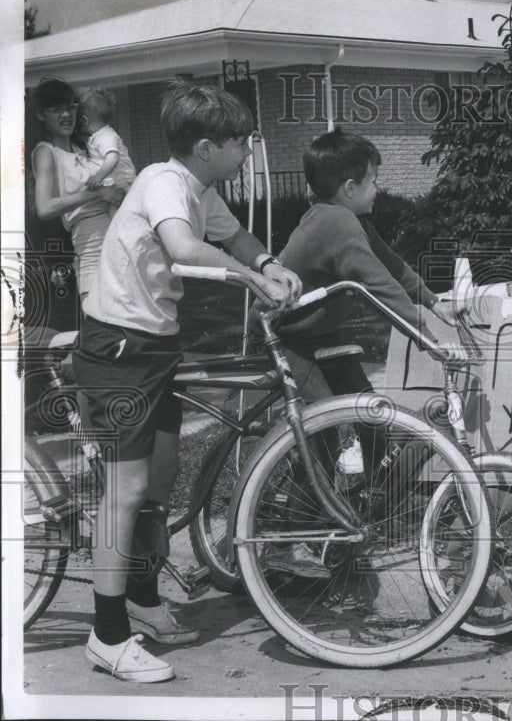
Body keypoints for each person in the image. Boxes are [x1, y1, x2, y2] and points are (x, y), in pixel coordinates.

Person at [72, 81, 302, 682]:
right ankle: (107, 634)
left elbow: (233, 237)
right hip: (117, 348)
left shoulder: (200, 187)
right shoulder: (162, 182)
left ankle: (143, 600)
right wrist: (248, 282)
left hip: (153, 343)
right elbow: (182, 245)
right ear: (206, 147)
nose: (249, 150)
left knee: (163, 474)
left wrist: (269, 264)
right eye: (241, 142)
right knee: (123, 492)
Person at [249, 128, 464, 574]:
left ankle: (349, 508)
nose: (377, 188)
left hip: (320, 336)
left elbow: (394, 267)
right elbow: (379, 286)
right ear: (350, 189)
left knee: (372, 414)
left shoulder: (349, 218)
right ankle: (284, 540)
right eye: (372, 180)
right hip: (286, 336)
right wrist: (429, 334)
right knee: (326, 429)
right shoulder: (335, 223)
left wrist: (435, 302)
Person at [28, 78, 124, 300]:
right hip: (91, 239)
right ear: (42, 115)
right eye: (56, 110)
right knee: (97, 317)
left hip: (116, 233)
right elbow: (44, 208)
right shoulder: (46, 152)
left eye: (69, 107)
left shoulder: (83, 148)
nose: (66, 115)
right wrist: (98, 193)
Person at [77, 87, 138, 214]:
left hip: (123, 184)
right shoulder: (100, 136)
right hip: (119, 185)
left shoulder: (104, 137)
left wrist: (98, 176)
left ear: (84, 120)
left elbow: (112, 157)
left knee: (121, 218)